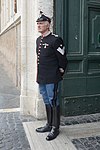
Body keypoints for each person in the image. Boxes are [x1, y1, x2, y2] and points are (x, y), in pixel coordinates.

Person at [35, 11, 68, 141]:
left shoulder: (55, 39)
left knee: (54, 101)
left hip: (52, 77)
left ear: (48, 25)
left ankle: (56, 127)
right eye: (37, 23)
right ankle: (48, 124)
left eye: (41, 23)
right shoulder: (38, 40)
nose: (39, 25)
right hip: (42, 77)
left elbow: (63, 58)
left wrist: (60, 72)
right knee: (46, 100)